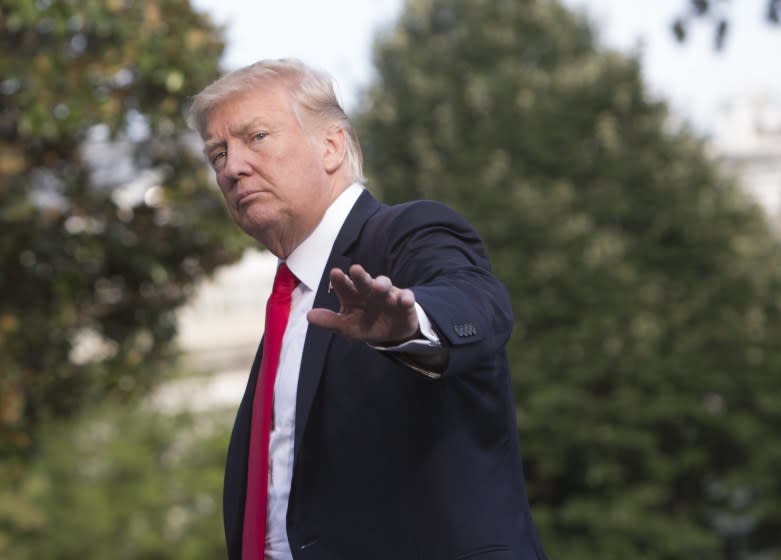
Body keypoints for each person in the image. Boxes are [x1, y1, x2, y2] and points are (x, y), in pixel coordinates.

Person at [189, 58, 548, 560]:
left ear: (331, 146)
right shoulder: (289, 300)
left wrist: (411, 324)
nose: (232, 167)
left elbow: (478, 301)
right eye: (218, 153)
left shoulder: (408, 233)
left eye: (257, 138)